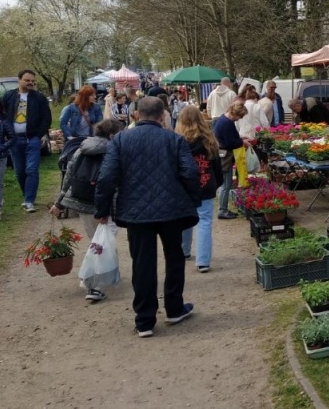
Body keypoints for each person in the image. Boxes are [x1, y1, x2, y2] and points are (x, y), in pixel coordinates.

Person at [94, 96, 200, 338]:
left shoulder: (121, 140)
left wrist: (102, 209)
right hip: (171, 210)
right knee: (174, 258)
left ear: (136, 115)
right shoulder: (174, 139)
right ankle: (174, 308)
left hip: (135, 212)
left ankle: (144, 320)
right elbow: (190, 172)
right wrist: (191, 200)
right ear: (162, 115)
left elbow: (107, 177)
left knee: (142, 264)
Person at [50, 119, 124, 302]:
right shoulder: (114, 151)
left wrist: (59, 203)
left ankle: (109, 273)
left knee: (97, 242)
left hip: (82, 202)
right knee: (101, 245)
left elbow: (68, 176)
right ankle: (93, 284)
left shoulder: (81, 148)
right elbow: (113, 182)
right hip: (106, 206)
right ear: (113, 135)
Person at [176, 105, 223, 272]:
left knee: (185, 220)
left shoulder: (177, 141)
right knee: (204, 222)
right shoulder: (209, 140)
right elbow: (217, 165)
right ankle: (203, 260)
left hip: (184, 186)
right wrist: (217, 183)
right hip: (205, 184)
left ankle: (184, 250)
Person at [1, 69, 52, 213]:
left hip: (32, 139)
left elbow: (46, 118)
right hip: (14, 140)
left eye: (32, 81)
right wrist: (5, 133)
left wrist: (39, 134)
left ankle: (29, 200)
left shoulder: (39, 98)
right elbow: (2, 116)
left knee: (31, 169)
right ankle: (27, 195)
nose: (30, 83)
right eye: (27, 80)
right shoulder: (9, 96)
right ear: (19, 80)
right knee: (19, 172)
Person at [213, 102, 248, 220]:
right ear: (235, 113)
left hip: (221, 154)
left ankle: (223, 208)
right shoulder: (227, 123)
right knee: (226, 184)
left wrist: (239, 139)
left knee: (224, 184)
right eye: (240, 116)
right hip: (225, 156)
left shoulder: (222, 119)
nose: (240, 119)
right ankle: (222, 210)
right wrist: (242, 142)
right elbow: (230, 143)